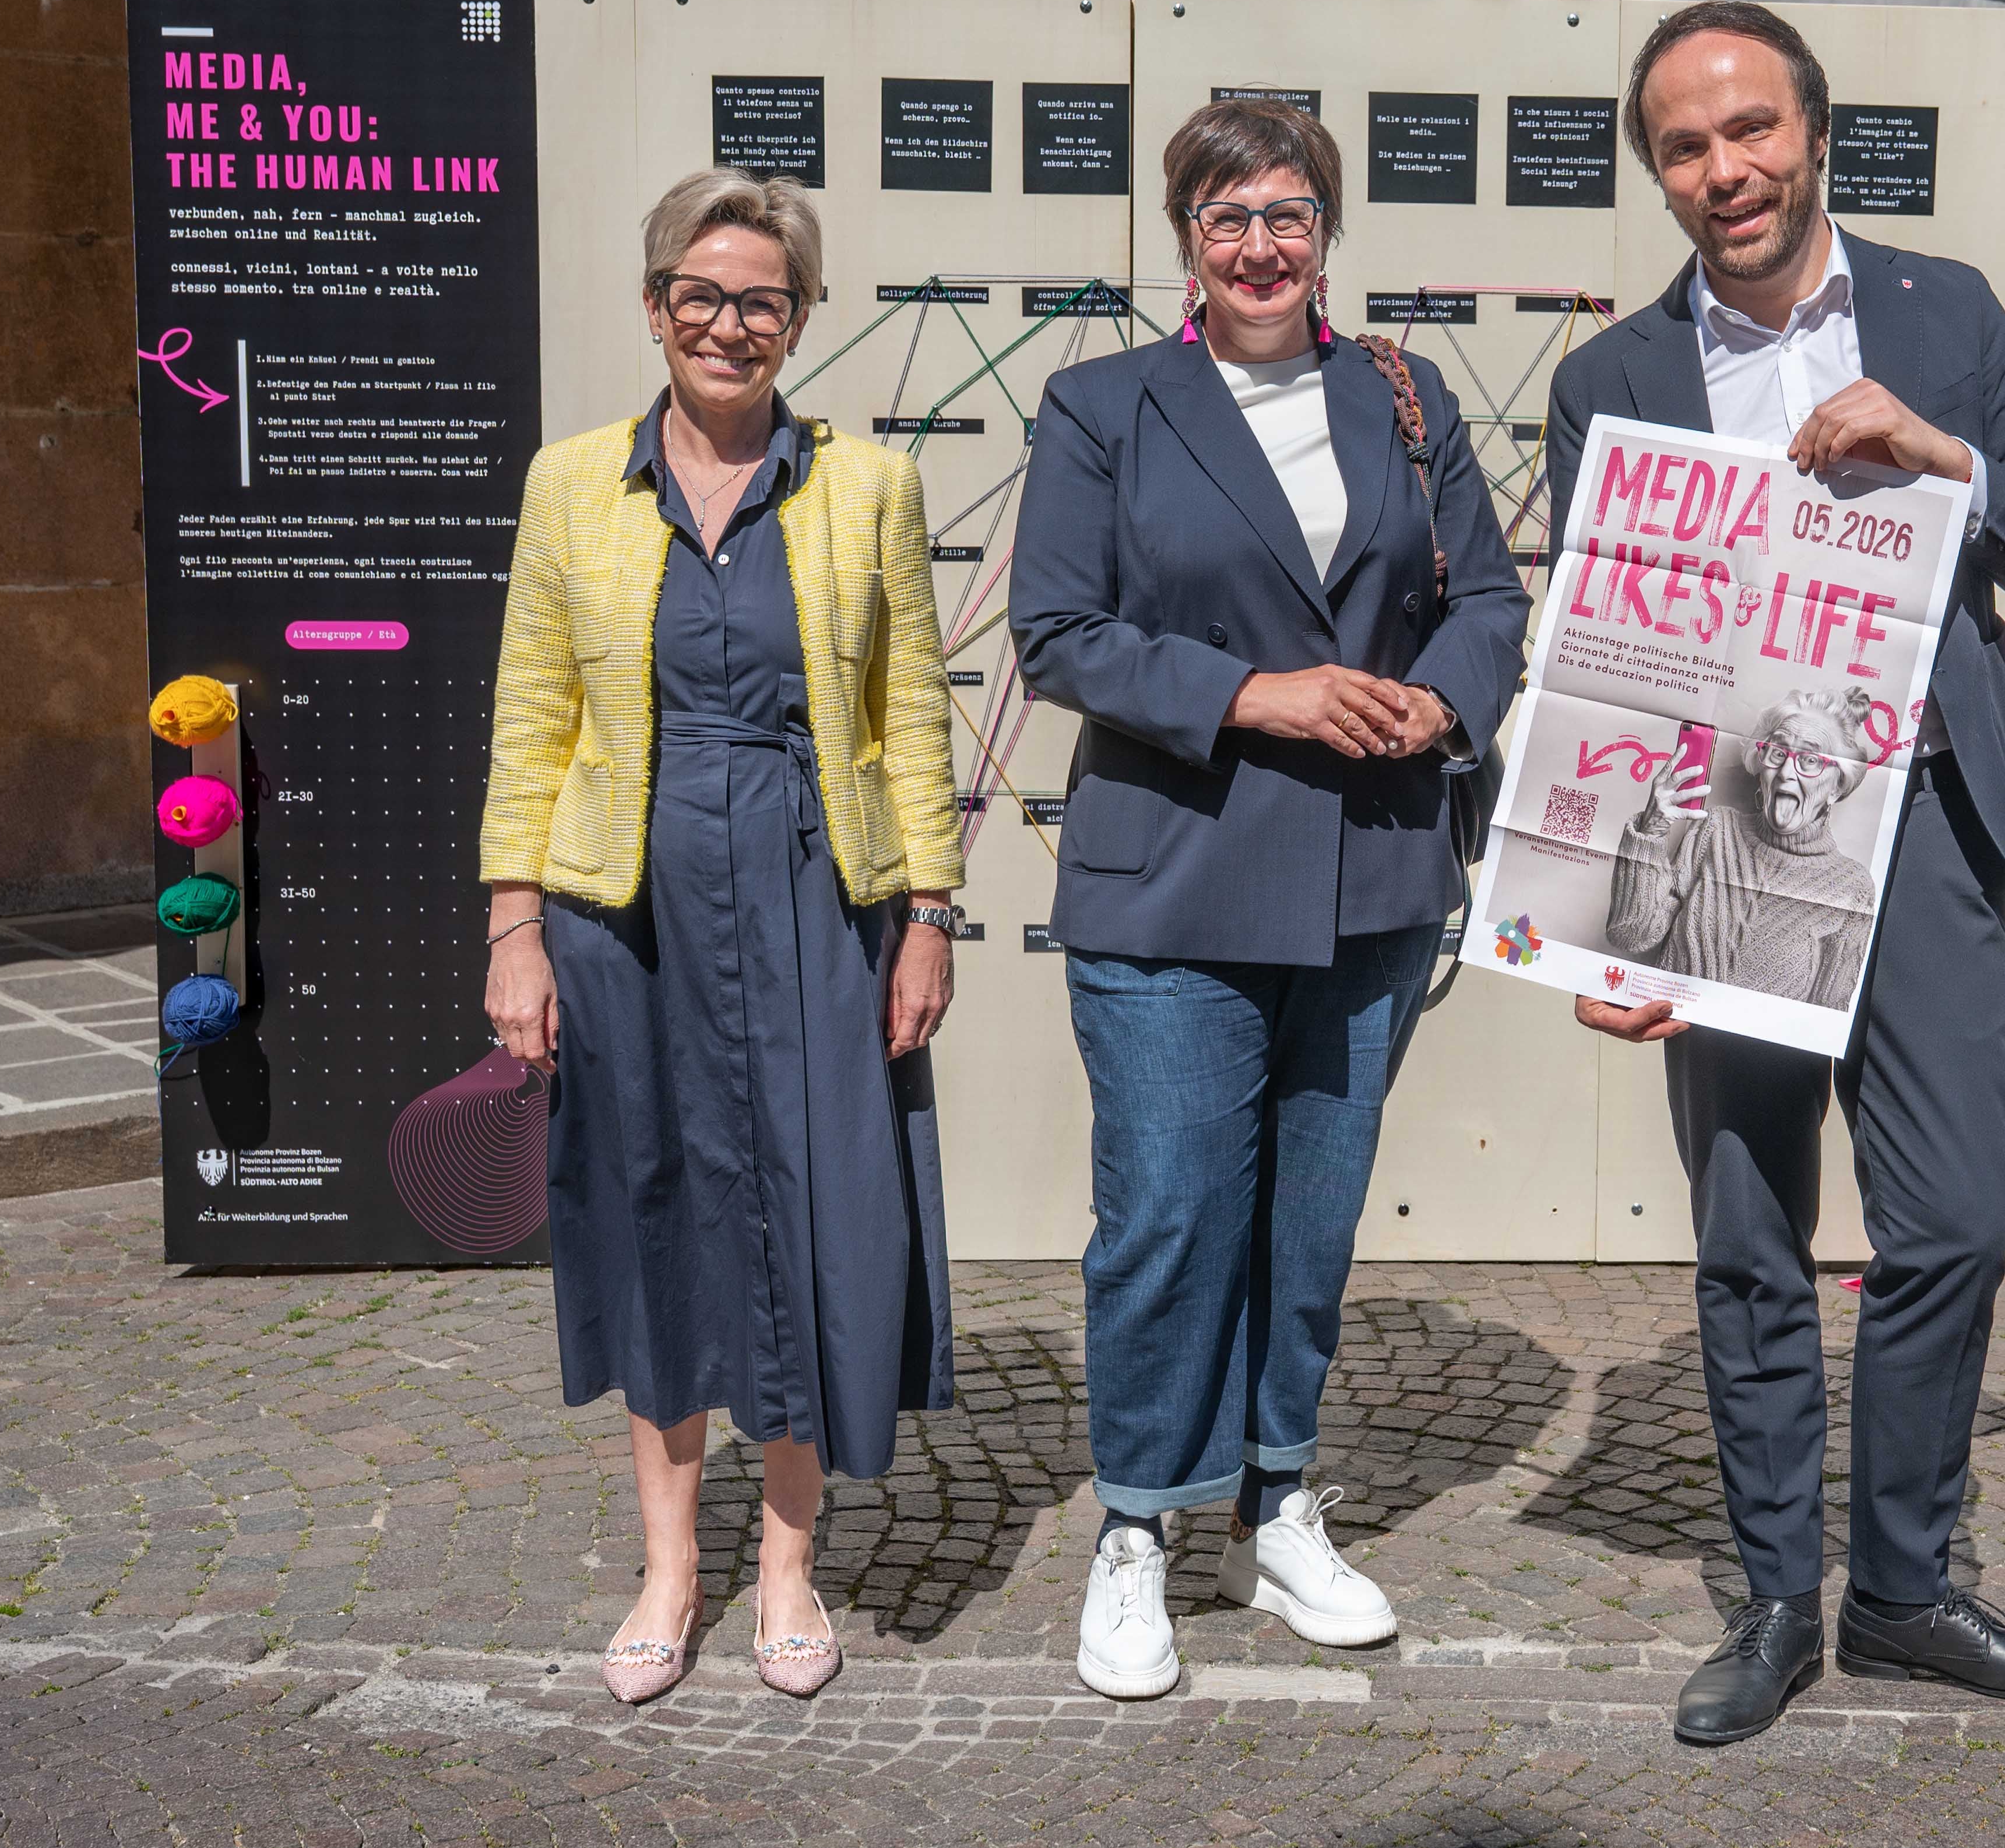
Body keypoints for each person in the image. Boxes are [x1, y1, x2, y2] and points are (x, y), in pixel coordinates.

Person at [1546, 0, 2005, 1745]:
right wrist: (1606, 920)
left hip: (1922, 819)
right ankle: (1778, 1597)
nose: (1724, 169)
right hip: (1726, 841)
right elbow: (1598, 666)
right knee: (1747, 1237)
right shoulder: (1609, 382)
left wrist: (1945, 459)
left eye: (1751, 131)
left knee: (1948, 1220)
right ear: (1660, 173)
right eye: (1686, 146)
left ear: (1813, 133)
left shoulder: (1944, 315)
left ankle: (1905, 1586)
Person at [1012, 98, 1529, 1700]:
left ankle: (1277, 1496)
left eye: (1288, 214)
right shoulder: (1104, 405)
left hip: (1367, 875)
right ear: (1185, 235)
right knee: (1169, 1212)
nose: (1259, 245)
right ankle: (1137, 1525)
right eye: (1227, 216)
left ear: (1326, 231)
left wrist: (1440, 701)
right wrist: (1258, 693)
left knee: (1311, 1212)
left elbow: (1488, 597)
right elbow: (1058, 631)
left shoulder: (1403, 396)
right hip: (1174, 874)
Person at [481, 168, 965, 1706]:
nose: (729, 324)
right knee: (653, 1207)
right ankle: (670, 1568)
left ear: (799, 319)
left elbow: (910, 714)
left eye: (763, 300)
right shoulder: (572, 484)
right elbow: (533, 717)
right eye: (701, 295)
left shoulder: (868, 486)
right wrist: (514, 926)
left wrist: (929, 915)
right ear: (654, 306)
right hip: (621, 910)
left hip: (818, 894)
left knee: (816, 1210)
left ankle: (788, 1565)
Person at [1609, 689, 1878, 1011]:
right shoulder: (1716, 828)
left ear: (1837, 787)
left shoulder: (1852, 887)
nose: (1786, 772)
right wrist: (1651, 830)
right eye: (1778, 752)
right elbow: (1631, 935)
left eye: (1810, 760)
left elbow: (1828, 1018)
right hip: (1675, 1028)